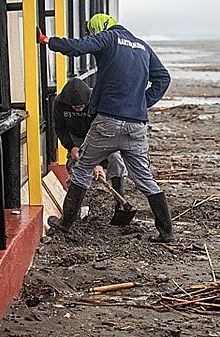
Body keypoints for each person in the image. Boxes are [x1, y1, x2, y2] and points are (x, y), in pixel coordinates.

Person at [39, 13, 173, 242]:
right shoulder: (142, 46)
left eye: (93, 31)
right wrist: (142, 103)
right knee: (144, 178)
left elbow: (79, 47)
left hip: (107, 122)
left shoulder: (109, 38)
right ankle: (166, 232)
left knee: (81, 170)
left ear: (99, 28)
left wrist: (48, 41)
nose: (93, 35)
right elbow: (163, 78)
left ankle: (65, 224)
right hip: (136, 125)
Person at [53, 77, 128, 221]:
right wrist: (71, 147)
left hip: (101, 135)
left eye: (81, 106)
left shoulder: (99, 100)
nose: (78, 109)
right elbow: (60, 128)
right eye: (74, 107)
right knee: (75, 166)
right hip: (76, 137)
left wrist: (96, 162)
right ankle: (73, 211)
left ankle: (120, 206)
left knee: (116, 160)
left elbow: (101, 129)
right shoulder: (59, 103)